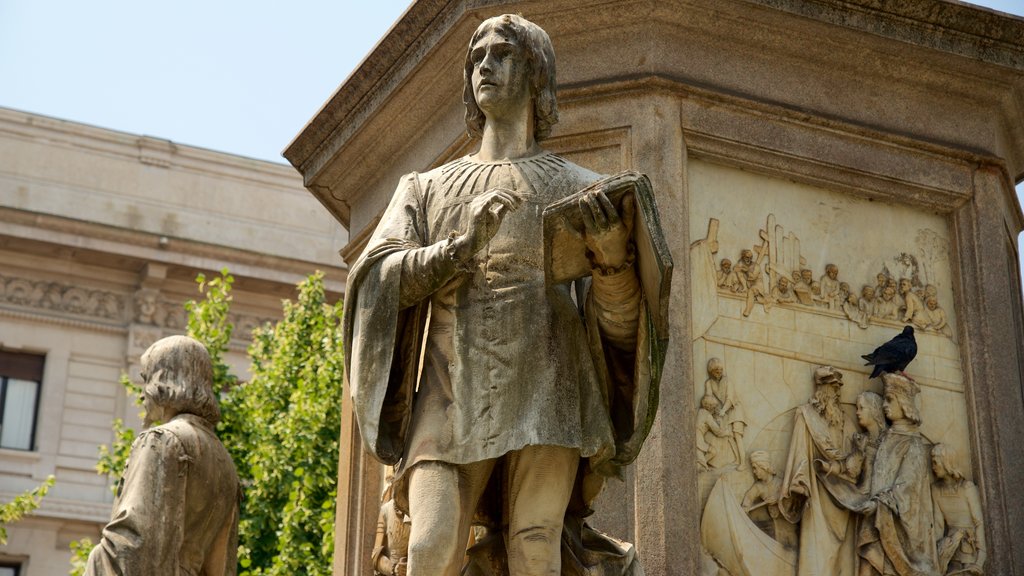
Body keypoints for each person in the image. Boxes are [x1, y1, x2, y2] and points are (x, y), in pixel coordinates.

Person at [342, 14, 663, 576]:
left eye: (502, 54)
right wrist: (453, 253)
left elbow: (621, 332)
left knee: (536, 545)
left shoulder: (582, 189)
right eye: (476, 58)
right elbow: (374, 280)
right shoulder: (424, 189)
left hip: (550, 388)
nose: (484, 66)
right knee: (429, 546)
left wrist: (613, 260)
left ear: (536, 74)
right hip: (449, 385)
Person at [85, 336, 239, 576]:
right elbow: (224, 561)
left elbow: (131, 542)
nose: (142, 394)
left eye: (146, 379)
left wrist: (98, 560)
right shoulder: (224, 462)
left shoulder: (161, 441)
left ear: (166, 381)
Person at [855, 373, 939, 576]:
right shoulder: (887, 437)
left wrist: (878, 505)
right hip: (877, 518)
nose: (885, 404)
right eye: (884, 399)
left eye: (890, 399)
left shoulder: (913, 443)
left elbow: (907, 486)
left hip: (896, 524)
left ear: (904, 404)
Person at [780, 365, 858, 576]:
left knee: (843, 556)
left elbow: (856, 457)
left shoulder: (845, 422)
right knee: (817, 550)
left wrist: (843, 467)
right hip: (817, 491)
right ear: (822, 389)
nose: (838, 393)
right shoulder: (805, 416)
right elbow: (799, 451)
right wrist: (799, 482)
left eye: (839, 388)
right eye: (834, 388)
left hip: (844, 497)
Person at [931, 444, 986, 575]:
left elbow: (979, 523)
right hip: (950, 548)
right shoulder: (936, 490)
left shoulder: (967, 488)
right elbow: (938, 526)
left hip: (970, 550)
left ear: (946, 462)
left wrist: (980, 561)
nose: (933, 467)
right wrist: (937, 555)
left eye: (935, 462)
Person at [705, 358, 747, 469]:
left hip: (735, 410)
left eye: (721, 369)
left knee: (737, 436)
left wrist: (723, 410)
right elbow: (709, 399)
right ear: (711, 371)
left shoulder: (728, 381)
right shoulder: (709, 383)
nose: (719, 372)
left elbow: (730, 398)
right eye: (716, 370)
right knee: (730, 437)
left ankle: (743, 463)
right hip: (725, 413)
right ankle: (738, 459)